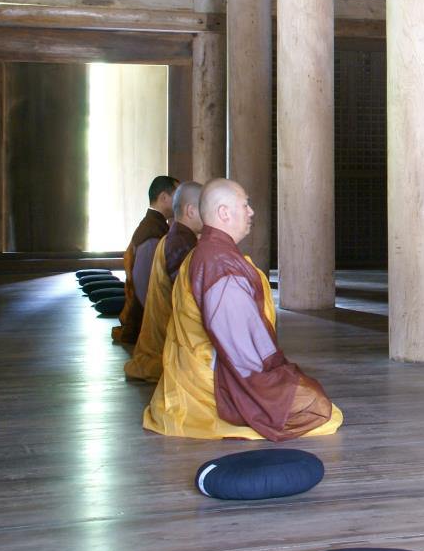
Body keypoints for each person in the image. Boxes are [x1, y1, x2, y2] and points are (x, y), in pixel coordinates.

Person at [143, 178, 342, 441]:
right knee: (321, 413)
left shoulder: (210, 252)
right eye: (245, 205)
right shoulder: (219, 263)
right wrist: (273, 384)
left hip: (195, 371)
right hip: (210, 382)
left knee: (309, 398)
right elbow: (240, 347)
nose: (251, 212)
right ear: (224, 212)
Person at [124, 181, 203, 383]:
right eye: (206, 208)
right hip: (167, 339)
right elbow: (192, 301)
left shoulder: (178, 237)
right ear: (191, 211)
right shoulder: (178, 243)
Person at [113, 175, 178, 345]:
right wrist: (158, 320)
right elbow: (144, 285)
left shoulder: (155, 226)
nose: (181, 201)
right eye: (177, 195)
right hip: (146, 322)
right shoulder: (152, 232)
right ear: (164, 198)